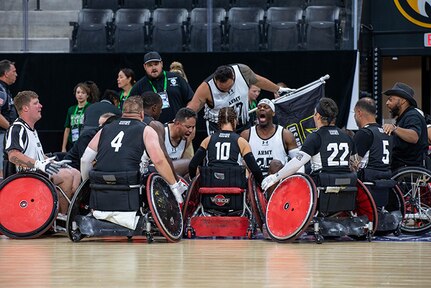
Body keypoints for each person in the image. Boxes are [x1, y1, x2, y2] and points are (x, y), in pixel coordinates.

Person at [81, 96, 187, 207]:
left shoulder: (104, 129)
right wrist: (175, 187)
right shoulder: (146, 130)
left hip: (101, 194)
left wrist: (87, 187)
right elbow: (159, 161)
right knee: (153, 169)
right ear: (141, 114)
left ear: (122, 113)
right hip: (130, 191)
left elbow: (85, 160)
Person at [5, 90, 81, 214]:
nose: (40, 106)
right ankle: (61, 217)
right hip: (24, 176)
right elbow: (13, 156)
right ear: (25, 108)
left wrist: (56, 162)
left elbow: (37, 155)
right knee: (67, 176)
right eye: (36, 103)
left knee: (75, 173)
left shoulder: (32, 129)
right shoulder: (17, 128)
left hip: (35, 173)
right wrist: (38, 164)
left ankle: (58, 215)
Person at [262, 98, 357, 191]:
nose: (313, 116)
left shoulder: (315, 136)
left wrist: (275, 177)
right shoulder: (347, 136)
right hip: (346, 186)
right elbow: (355, 163)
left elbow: (297, 163)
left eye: (314, 113)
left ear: (318, 116)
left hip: (321, 186)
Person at [187, 64, 294, 135]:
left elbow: (258, 80)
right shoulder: (205, 88)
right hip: (218, 127)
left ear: (234, 77)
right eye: (223, 90)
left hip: (242, 123)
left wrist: (278, 89)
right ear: (216, 80)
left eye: (229, 87)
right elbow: (190, 110)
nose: (228, 91)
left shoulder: (242, 72)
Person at [189, 107, 263, 186]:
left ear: (219, 122)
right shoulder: (241, 141)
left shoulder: (208, 140)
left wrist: (195, 181)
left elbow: (192, 165)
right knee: (246, 170)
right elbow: (255, 169)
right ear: (235, 121)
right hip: (234, 183)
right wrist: (262, 183)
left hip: (211, 183)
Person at [129, 51, 194, 124]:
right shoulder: (139, 86)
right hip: (152, 129)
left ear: (161, 64)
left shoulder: (176, 78)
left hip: (177, 126)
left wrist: (185, 118)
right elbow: (130, 108)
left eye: (156, 64)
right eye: (150, 65)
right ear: (144, 66)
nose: (154, 68)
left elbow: (191, 99)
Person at [241, 99, 300, 177]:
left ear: (273, 113)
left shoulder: (285, 134)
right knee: (244, 164)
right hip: (254, 180)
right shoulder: (246, 134)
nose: (262, 109)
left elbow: (298, 161)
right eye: (259, 107)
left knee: (275, 165)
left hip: (277, 181)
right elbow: (238, 161)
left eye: (266, 107)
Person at [382, 82, 428, 170]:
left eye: (391, 99)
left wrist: (394, 128)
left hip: (408, 167)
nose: (387, 103)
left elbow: (414, 137)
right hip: (400, 165)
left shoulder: (412, 115)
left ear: (403, 101)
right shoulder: (404, 116)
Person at [352, 97, 393, 179]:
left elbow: (354, 163)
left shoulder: (364, 133)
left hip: (367, 181)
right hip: (385, 181)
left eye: (355, 113)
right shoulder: (386, 132)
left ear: (359, 113)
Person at [164, 107, 197, 177]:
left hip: (175, 173)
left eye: (193, 127)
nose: (191, 130)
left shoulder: (189, 135)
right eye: (188, 127)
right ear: (177, 123)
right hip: (157, 170)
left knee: (195, 171)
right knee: (189, 163)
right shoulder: (162, 132)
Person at [61, 82, 92, 152]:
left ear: (87, 95)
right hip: (73, 143)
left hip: (86, 143)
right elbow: (67, 129)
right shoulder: (71, 109)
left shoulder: (90, 108)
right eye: (78, 92)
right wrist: (63, 147)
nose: (80, 95)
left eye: (83, 93)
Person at [0, 59, 18, 178]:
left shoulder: (5, 90)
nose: (16, 74)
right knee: (1, 170)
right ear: (6, 73)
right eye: (14, 71)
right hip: (1, 135)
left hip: (4, 135)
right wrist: (11, 129)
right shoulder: (0, 90)